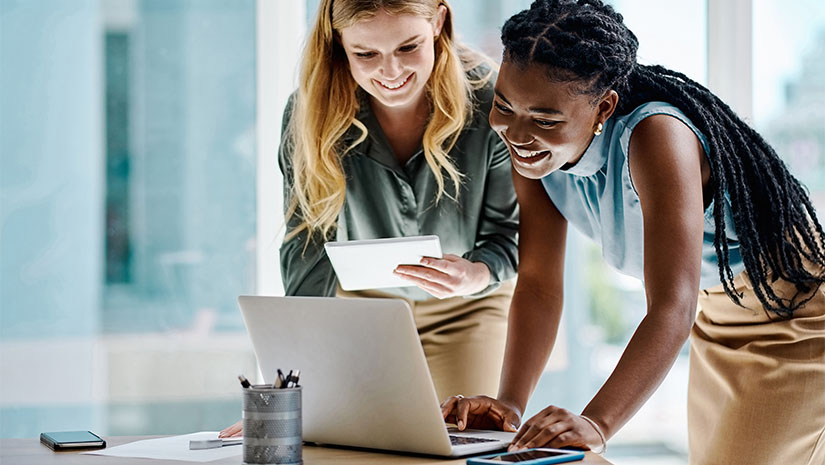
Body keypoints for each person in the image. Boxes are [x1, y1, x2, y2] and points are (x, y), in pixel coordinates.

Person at [440, 1, 825, 464]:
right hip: (715, 311)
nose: (517, 133)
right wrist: (509, 406)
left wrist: (598, 424)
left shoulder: (656, 136)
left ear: (604, 106)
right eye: (504, 105)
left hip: (793, 313)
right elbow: (540, 283)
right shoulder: (532, 152)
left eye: (545, 119)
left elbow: (670, 307)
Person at [219, 0, 519, 439]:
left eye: (408, 46)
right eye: (366, 54)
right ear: (339, 43)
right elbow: (308, 251)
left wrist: (475, 274)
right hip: (361, 309)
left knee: (463, 441)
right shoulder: (309, 114)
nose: (391, 71)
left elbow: (509, 237)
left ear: (438, 20)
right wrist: (290, 392)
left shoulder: (491, 100)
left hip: (469, 305)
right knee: (345, 439)